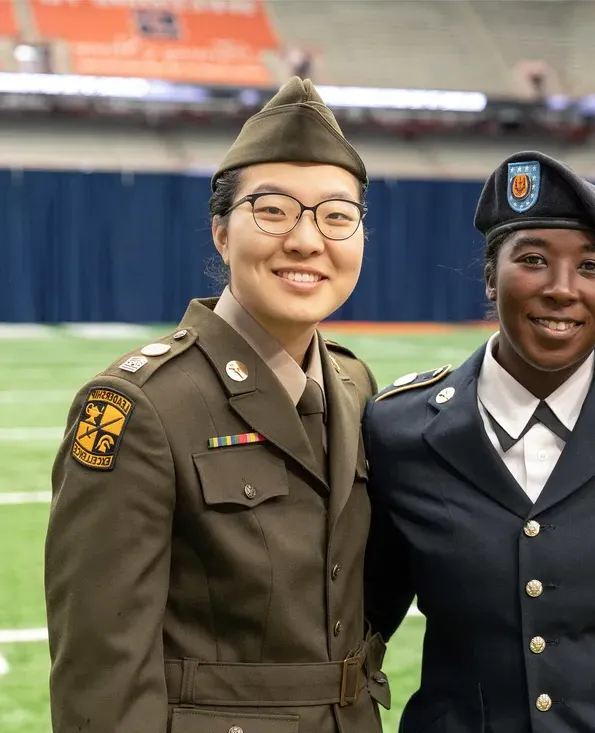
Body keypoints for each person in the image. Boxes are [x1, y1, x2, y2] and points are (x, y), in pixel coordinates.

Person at [44, 77, 390, 733]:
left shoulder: (353, 383)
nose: (307, 240)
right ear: (222, 232)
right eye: (273, 210)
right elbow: (102, 672)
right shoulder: (139, 404)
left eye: (337, 215)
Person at [363, 151, 595, 732]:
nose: (563, 289)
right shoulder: (399, 429)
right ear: (490, 275)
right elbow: (367, 614)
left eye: (592, 267)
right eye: (532, 259)